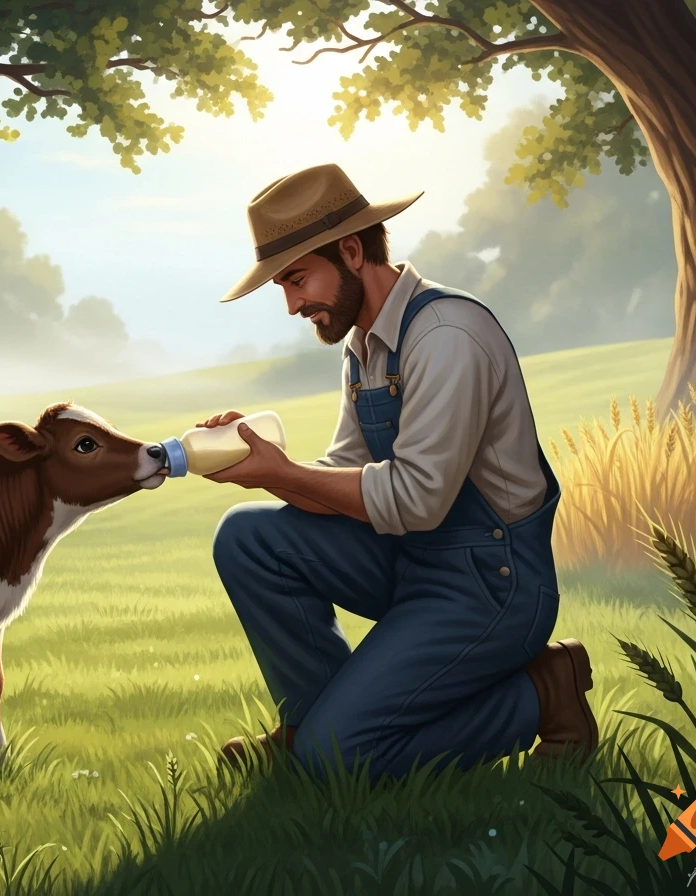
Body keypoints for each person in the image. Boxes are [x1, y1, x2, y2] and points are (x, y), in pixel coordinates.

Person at [201, 162, 598, 777]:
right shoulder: (364, 346)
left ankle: (543, 694)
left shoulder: (446, 334)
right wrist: (263, 465)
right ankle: (309, 720)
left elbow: (417, 499)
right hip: (414, 561)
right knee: (247, 537)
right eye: (283, 286)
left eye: (297, 280)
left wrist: (285, 474)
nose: (292, 305)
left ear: (351, 251)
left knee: (336, 761)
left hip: (491, 583)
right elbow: (345, 474)